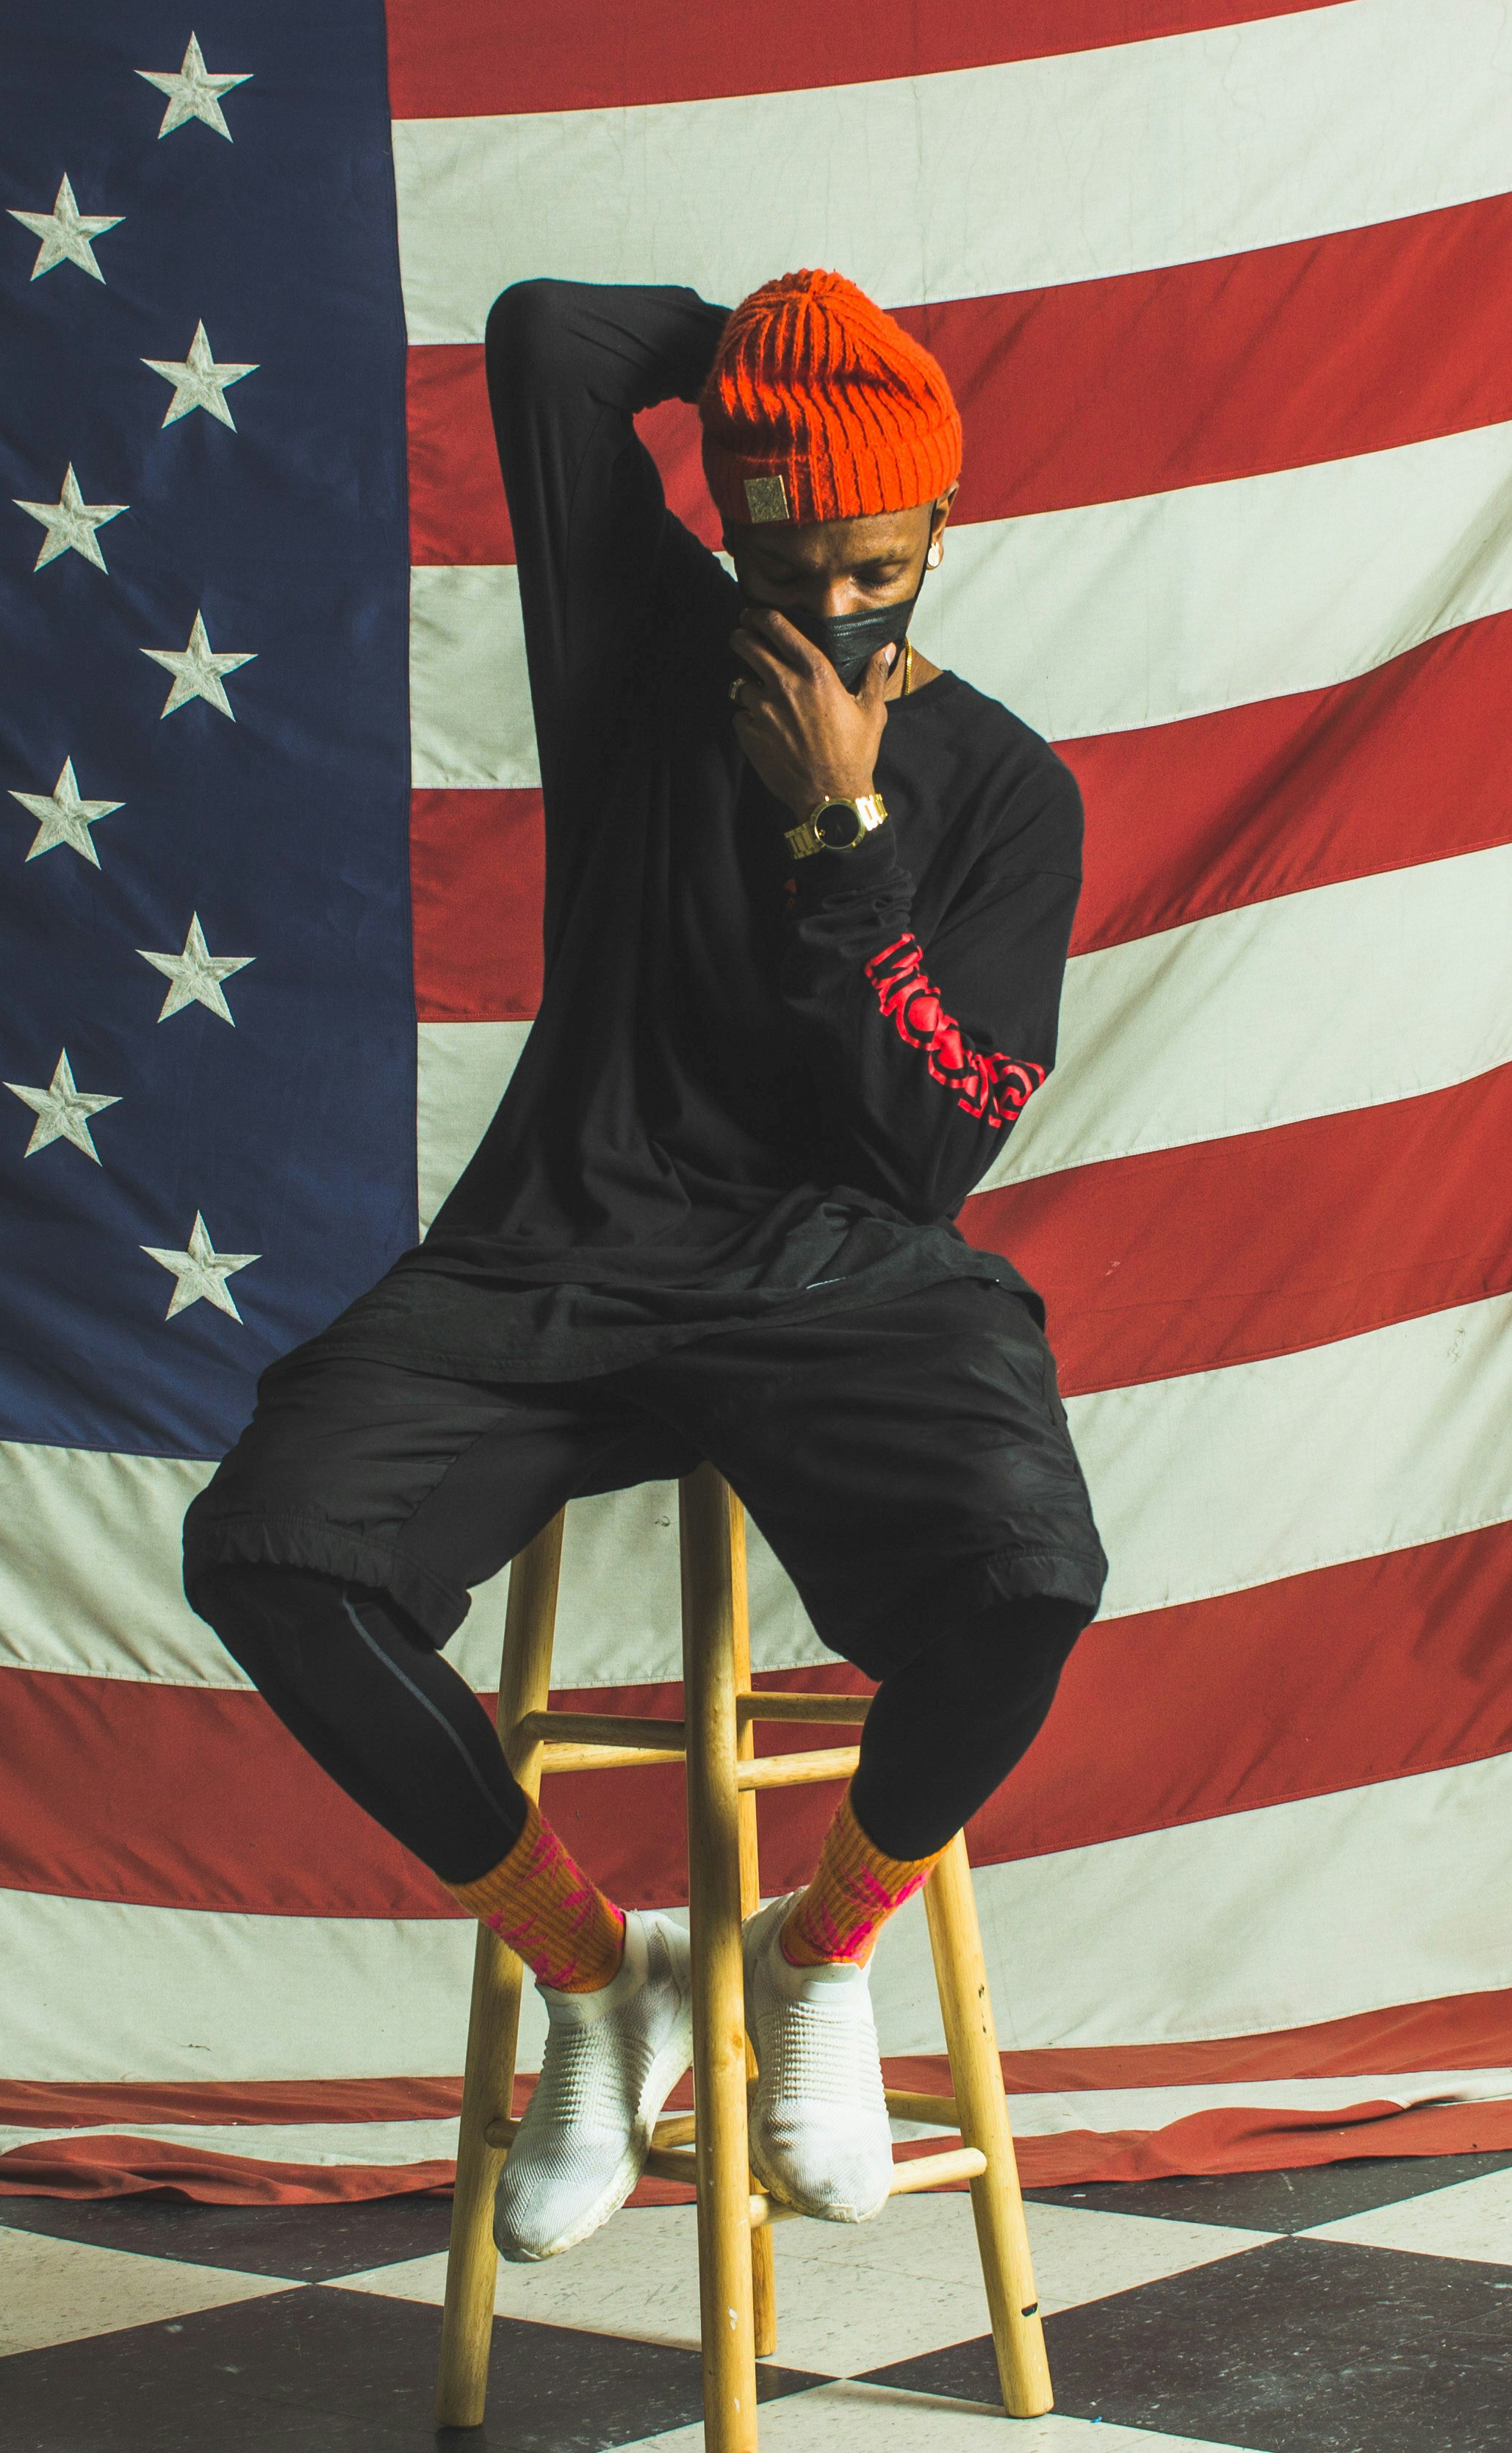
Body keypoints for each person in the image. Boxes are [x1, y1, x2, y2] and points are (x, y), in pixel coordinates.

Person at [181, 267, 1105, 2263]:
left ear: (943, 535)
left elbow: (930, 1145)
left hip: (847, 1268)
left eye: (870, 560)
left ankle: (808, 1957)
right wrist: (774, 364)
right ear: (737, 523)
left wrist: (840, 826)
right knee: (271, 1551)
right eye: (784, 548)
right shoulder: (639, 644)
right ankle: (610, 1984)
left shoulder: (1011, 790)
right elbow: (549, 340)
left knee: (1028, 1586)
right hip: (560, 1249)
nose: (825, 601)